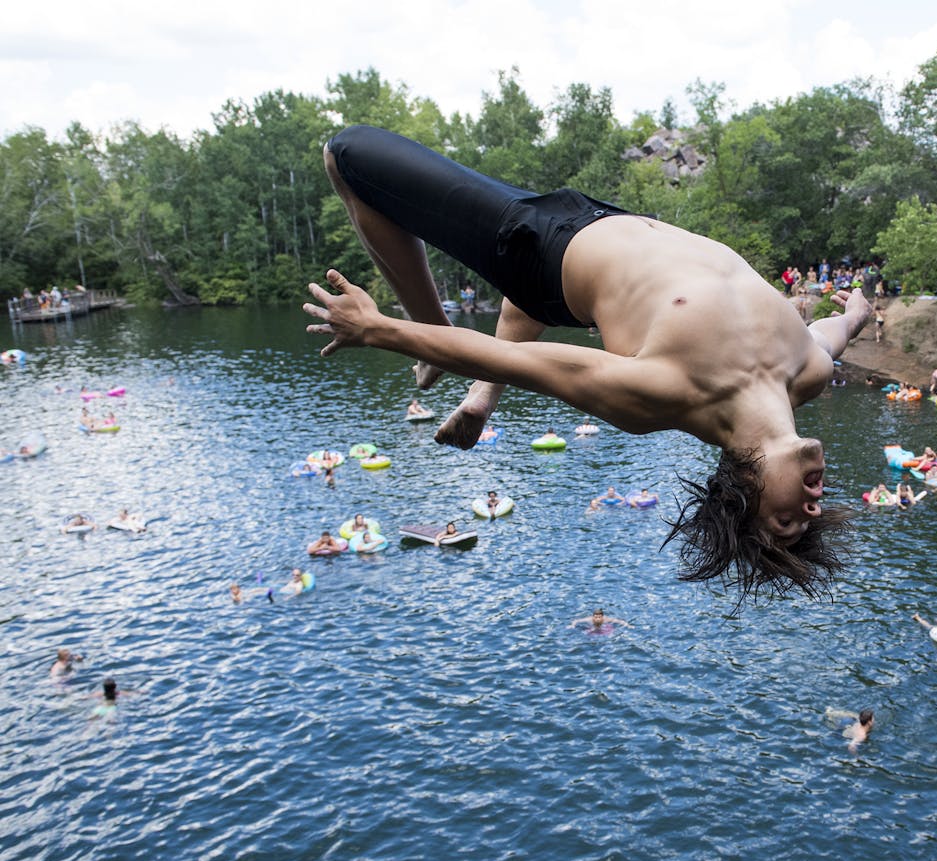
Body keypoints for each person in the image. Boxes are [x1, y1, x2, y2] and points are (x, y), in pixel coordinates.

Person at [304, 126, 866, 605]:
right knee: (516, 321)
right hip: (607, 218)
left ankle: (438, 344)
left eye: (789, 522)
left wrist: (381, 329)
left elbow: (515, 359)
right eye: (809, 519)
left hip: (542, 251)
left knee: (348, 156)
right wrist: (858, 316)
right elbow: (830, 333)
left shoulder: (662, 395)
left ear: (743, 493)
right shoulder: (809, 371)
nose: (813, 507)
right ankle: (478, 397)